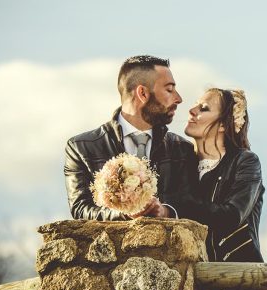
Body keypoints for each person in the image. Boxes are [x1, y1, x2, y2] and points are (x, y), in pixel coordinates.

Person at [182, 87, 267, 290]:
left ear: (224, 125)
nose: (192, 111)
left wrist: (175, 206)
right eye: (195, 105)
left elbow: (232, 214)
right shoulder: (181, 166)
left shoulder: (245, 162)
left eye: (204, 108)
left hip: (240, 283)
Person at [64, 55, 198, 220]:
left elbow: (192, 205)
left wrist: (165, 211)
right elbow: (80, 209)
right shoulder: (81, 148)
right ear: (142, 93)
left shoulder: (182, 149)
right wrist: (125, 215)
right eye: (169, 90)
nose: (178, 98)